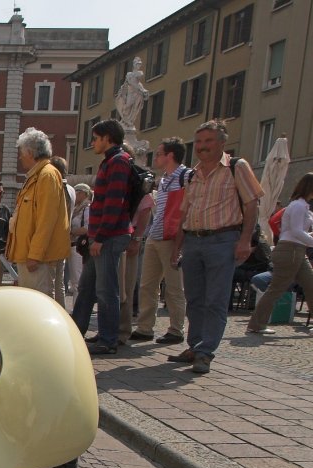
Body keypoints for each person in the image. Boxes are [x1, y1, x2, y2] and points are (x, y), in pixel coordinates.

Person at [169, 119, 264, 374]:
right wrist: (177, 247)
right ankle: (195, 345)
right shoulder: (192, 174)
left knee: (215, 300)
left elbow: (252, 204)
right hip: (193, 240)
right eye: (199, 142)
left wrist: (244, 240)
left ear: (222, 142)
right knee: (195, 298)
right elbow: (184, 214)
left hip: (223, 240)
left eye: (208, 141)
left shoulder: (236, 167)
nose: (202, 146)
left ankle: (205, 351)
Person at [72, 120, 133, 354]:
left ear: (108, 138)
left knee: (107, 290)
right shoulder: (111, 161)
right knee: (87, 287)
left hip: (109, 237)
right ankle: (77, 332)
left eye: (96, 138)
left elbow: (114, 203)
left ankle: (109, 339)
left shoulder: (118, 162)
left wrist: (100, 237)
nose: (93, 142)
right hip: (103, 236)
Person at [128, 138, 188, 344]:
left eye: (160, 153)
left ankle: (176, 330)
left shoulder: (186, 176)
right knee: (147, 284)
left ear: (170, 155)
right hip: (155, 235)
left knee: (174, 287)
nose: (156, 157)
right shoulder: (162, 180)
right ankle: (145, 328)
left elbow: (186, 211)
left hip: (172, 238)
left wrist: (180, 244)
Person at [5, 128, 70, 298]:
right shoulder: (37, 175)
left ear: (31, 152)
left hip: (36, 259)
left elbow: (46, 220)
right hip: (28, 257)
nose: (20, 157)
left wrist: (35, 254)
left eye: (22, 152)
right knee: (30, 302)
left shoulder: (47, 175)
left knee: (38, 302)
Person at [246, 173, 313, 334]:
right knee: (276, 289)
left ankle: (256, 324)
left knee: (311, 285)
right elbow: (296, 231)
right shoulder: (298, 206)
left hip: (296, 250)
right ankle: (256, 324)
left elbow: (295, 231)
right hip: (290, 250)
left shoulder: (302, 205)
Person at [118, 178, 155, 344]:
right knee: (114, 287)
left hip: (129, 239)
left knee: (125, 287)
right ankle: (112, 328)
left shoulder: (138, 184)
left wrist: (137, 239)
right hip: (114, 238)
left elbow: (146, 209)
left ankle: (122, 331)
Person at [49, 156, 76, 306]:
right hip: (65, 238)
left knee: (51, 281)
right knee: (59, 281)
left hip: (54, 240)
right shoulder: (71, 190)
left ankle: (53, 311)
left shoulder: (57, 188)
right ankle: (61, 310)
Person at [115, 56, 148, 130]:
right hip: (131, 92)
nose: (138, 66)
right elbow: (128, 82)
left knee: (135, 107)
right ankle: (125, 120)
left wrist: (142, 89)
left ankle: (130, 121)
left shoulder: (140, 73)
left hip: (137, 93)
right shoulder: (129, 74)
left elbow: (137, 83)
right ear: (134, 64)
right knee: (128, 106)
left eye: (139, 64)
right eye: (137, 64)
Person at [69, 183, 92, 289]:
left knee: (78, 280)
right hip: (73, 245)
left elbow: (88, 228)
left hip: (80, 246)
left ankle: (78, 305)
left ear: (83, 193)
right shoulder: (76, 208)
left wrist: (72, 232)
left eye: (76, 192)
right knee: (74, 281)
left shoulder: (87, 208)